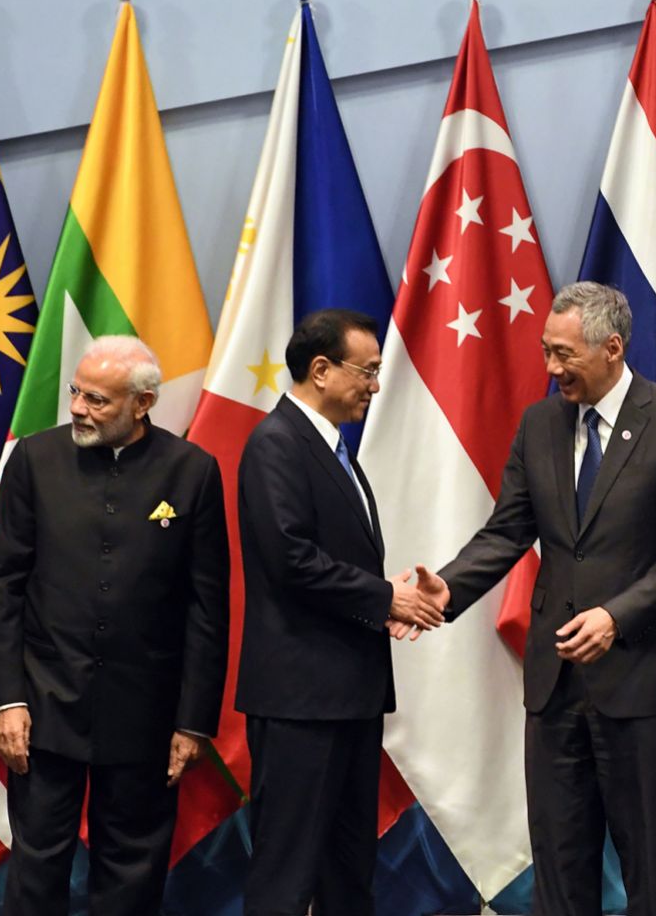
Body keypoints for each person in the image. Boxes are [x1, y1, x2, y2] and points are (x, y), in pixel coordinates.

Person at [402, 282, 656, 916]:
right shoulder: (540, 422)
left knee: (648, 868)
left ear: (613, 348)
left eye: (564, 355)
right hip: (554, 685)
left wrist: (615, 617)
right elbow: (507, 530)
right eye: (547, 351)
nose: (551, 369)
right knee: (560, 861)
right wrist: (449, 586)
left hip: (636, 680)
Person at [0, 336, 229, 916]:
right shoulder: (34, 460)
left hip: (146, 711)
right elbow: (3, 590)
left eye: (97, 400)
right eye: (77, 392)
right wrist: (6, 700)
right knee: (37, 867)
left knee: (132, 876)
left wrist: (193, 722)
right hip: (43, 704)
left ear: (142, 404)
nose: (77, 408)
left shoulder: (192, 472)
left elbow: (207, 606)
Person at [236, 308, 444, 916]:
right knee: (287, 868)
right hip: (301, 701)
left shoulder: (331, 448)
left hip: (347, 694)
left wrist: (387, 599)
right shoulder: (276, 443)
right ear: (321, 370)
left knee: (348, 866)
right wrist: (384, 598)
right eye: (368, 371)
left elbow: (330, 556)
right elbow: (291, 559)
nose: (376, 387)